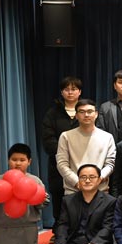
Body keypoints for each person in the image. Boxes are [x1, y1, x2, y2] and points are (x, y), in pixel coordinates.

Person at [41, 76, 81, 225]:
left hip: (83, 163)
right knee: (59, 198)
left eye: (74, 89)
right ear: (61, 92)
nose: (70, 92)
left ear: (79, 92)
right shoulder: (52, 113)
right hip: (58, 164)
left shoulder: (86, 112)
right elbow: (48, 140)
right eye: (66, 89)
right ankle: (59, 229)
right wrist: (65, 155)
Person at [56, 98, 116, 195]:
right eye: (82, 112)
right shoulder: (66, 136)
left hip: (100, 191)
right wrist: (77, 182)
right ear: (76, 115)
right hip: (73, 191)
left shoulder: (107, 137)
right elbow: (62, 164)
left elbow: (110, 164)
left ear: (96, 114)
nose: (86, 115)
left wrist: (97, 180)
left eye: (90, 111)